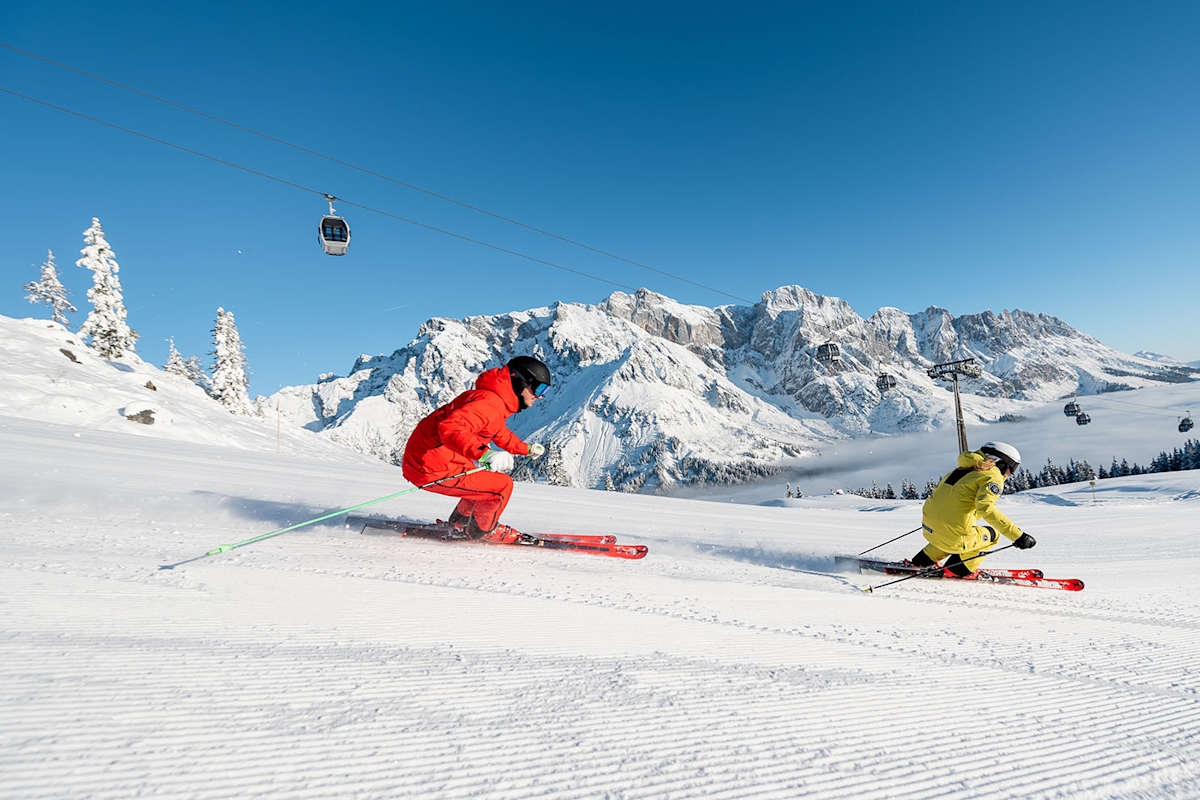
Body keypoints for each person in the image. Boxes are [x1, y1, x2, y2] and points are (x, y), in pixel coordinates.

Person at [401, 356, 551, 540]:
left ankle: (460, 523)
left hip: (435, 459)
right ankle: (482, 531)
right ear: (520, 381)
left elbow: (500, 434)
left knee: (481, 481)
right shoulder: (488, 404)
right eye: (538, 388)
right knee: (501, 487)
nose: (540, 396)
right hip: (431, 466)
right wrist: (485, 454)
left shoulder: (493, 402)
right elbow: (450, 428)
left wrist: (526, 449)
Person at [910, 441, 1036, 577]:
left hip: (929, 529)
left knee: (955, 532)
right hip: (952, 536)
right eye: (1012, 468)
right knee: (992, 535)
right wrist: (1018, 536)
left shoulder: (961, 469)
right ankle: (957, 570)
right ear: (1001, 462)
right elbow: (985, 509)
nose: (1010, 474)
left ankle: (921, 561)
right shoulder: (992, 476)